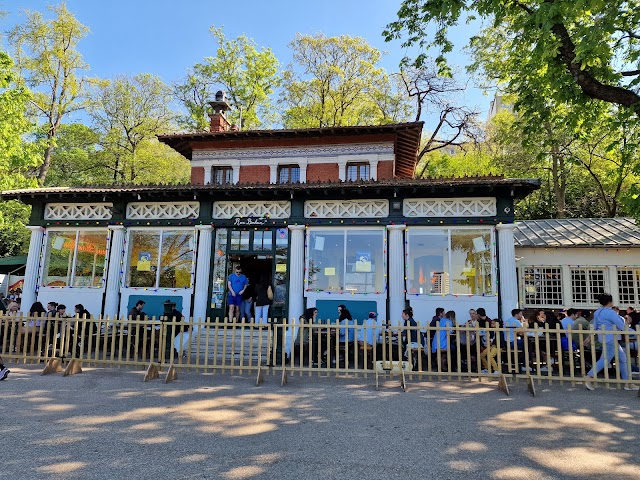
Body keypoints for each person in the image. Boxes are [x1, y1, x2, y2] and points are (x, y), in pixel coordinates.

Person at [584, 293, 638, 391]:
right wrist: (635, 333)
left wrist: (589, 337)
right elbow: (622, 326)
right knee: (605, 359)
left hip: (604, 338)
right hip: (611, 338)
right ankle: (589, 376)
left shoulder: (597, 312)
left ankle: (627, 383)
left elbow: (595, 327)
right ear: (610, 302)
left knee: (622, 359)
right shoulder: (610, 313)